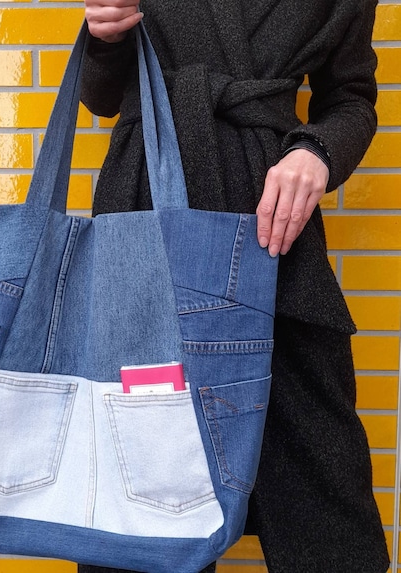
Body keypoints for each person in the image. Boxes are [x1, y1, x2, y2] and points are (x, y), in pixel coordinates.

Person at [77, 1, 390, 572]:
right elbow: (102, 96)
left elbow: (350, 96)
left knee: (326, 501)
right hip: (149, 219)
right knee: (142, 492)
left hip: (273, 238)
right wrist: (104, 34)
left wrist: (317, 152)